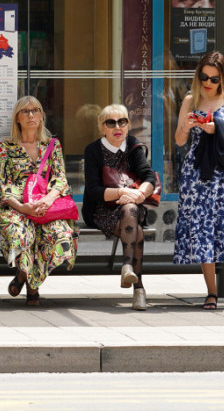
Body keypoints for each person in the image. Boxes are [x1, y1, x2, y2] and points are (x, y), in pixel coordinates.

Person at [173, 51, 224, 311]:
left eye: (214, 78)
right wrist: (187, 126)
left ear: (223, 79)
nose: (208, 82)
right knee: (202, 229)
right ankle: (211, 292)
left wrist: (217, 128)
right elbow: (179, 140)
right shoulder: (190, 100)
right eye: (204, 76)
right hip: (196, 172)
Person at [0, 96, 77, 306]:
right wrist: (22, 207)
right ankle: (33, 288)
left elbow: (60, 178)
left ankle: (24, 277)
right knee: (22, 234)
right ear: (17, 118)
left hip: (46, 206)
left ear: (41, 116)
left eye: (36, 110)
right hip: (18, 206)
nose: (31, 115)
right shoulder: (6, 148)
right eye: (26, 111)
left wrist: (48, 200)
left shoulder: (52, 145)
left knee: (59, 236)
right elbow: (2, 184)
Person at [83, 104, 156, 311]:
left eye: (122, 121)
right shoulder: (93, 150)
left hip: (130, 209)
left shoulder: (133, 146)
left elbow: (149, 176)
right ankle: (139, 290)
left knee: (130, 209)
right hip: (101, 209)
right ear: (102, 127)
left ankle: (126, 266)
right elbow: (93, 189)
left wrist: (139, 193)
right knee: (137, 232)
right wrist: (123, 193)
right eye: (111, 122)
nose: (117, 126)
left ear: (128, 125)